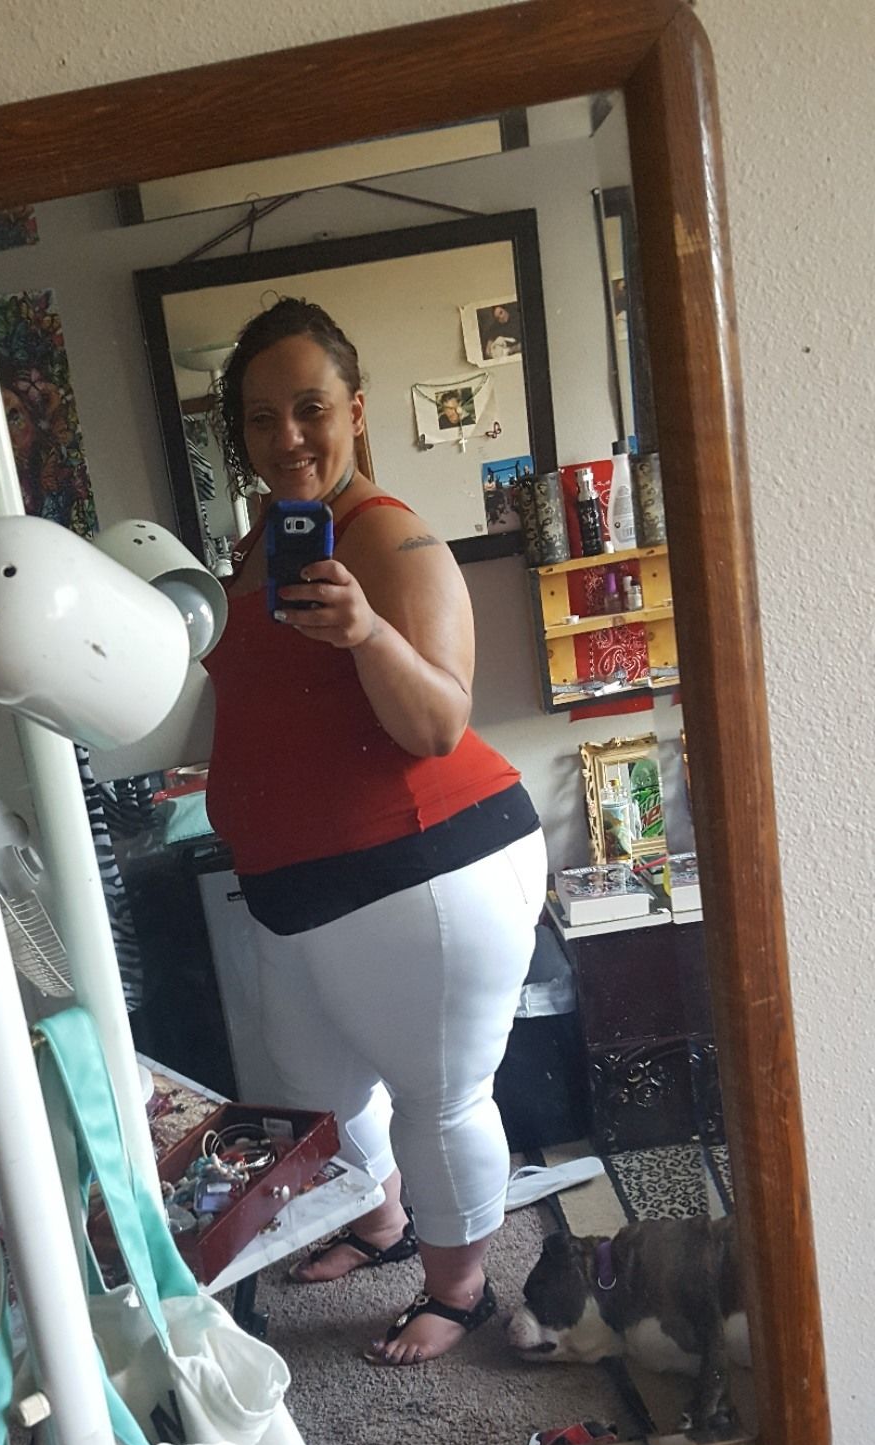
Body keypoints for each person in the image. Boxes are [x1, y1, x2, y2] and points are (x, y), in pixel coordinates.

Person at [204, 297, 546, 1365]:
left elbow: (437, 721)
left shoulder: (390, 536)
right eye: (261, 418)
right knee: (317, 1090)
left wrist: (364, 631)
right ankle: (385, 1222)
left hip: (425, 866)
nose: (288, 436)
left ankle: (461, 1289)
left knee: (439, 1100)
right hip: (303, 887)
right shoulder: (265, 543)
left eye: (310, 408)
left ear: (354, 410)